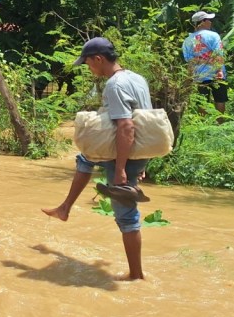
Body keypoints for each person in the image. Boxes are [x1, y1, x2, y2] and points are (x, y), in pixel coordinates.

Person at [42, 37, 152, 280]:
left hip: (124, 154)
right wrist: (143, 160)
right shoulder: (137, 78)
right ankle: (64, 208)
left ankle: (136, 276)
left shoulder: (115, 85)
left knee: (126, 214)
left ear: (98, 59)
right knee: (85, 157)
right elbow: (147, 122)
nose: (88, 67)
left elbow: (126, 127)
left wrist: (123, 168)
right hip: (137, 151)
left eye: (88, 63)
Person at [182, 10, 227, 114]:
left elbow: (189, 60)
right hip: (216, 73)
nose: (211, 22)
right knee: (220, 100)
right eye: (209, 20)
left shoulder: (188, 40)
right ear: (203, 21)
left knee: (202, 102)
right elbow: (218, 53)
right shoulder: (213, 35)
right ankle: (220, 124)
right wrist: (220, 70)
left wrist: (190, 77)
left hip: (199, 75)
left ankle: (203, 125)